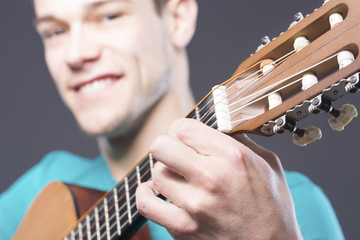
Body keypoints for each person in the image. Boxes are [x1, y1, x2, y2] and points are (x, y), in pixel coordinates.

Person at [0, 0, 344, 239]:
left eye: (108, 16)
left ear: (177, 19)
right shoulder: (38, 190)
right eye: (55, 32)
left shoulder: (284, 211)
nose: (75, 55)